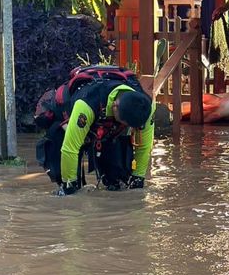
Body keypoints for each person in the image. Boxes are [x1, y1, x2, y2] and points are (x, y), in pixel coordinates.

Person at [36, 67, 155, 195]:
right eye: (125, 123)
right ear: (115, 106)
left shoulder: (146, 107)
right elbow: (69, 148)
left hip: (109, 131)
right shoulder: (87, 103)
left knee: (118, 182)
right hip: (68, 125)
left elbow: (144, 146)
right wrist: (68, 185)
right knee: (69, 187)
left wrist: (138, 178)